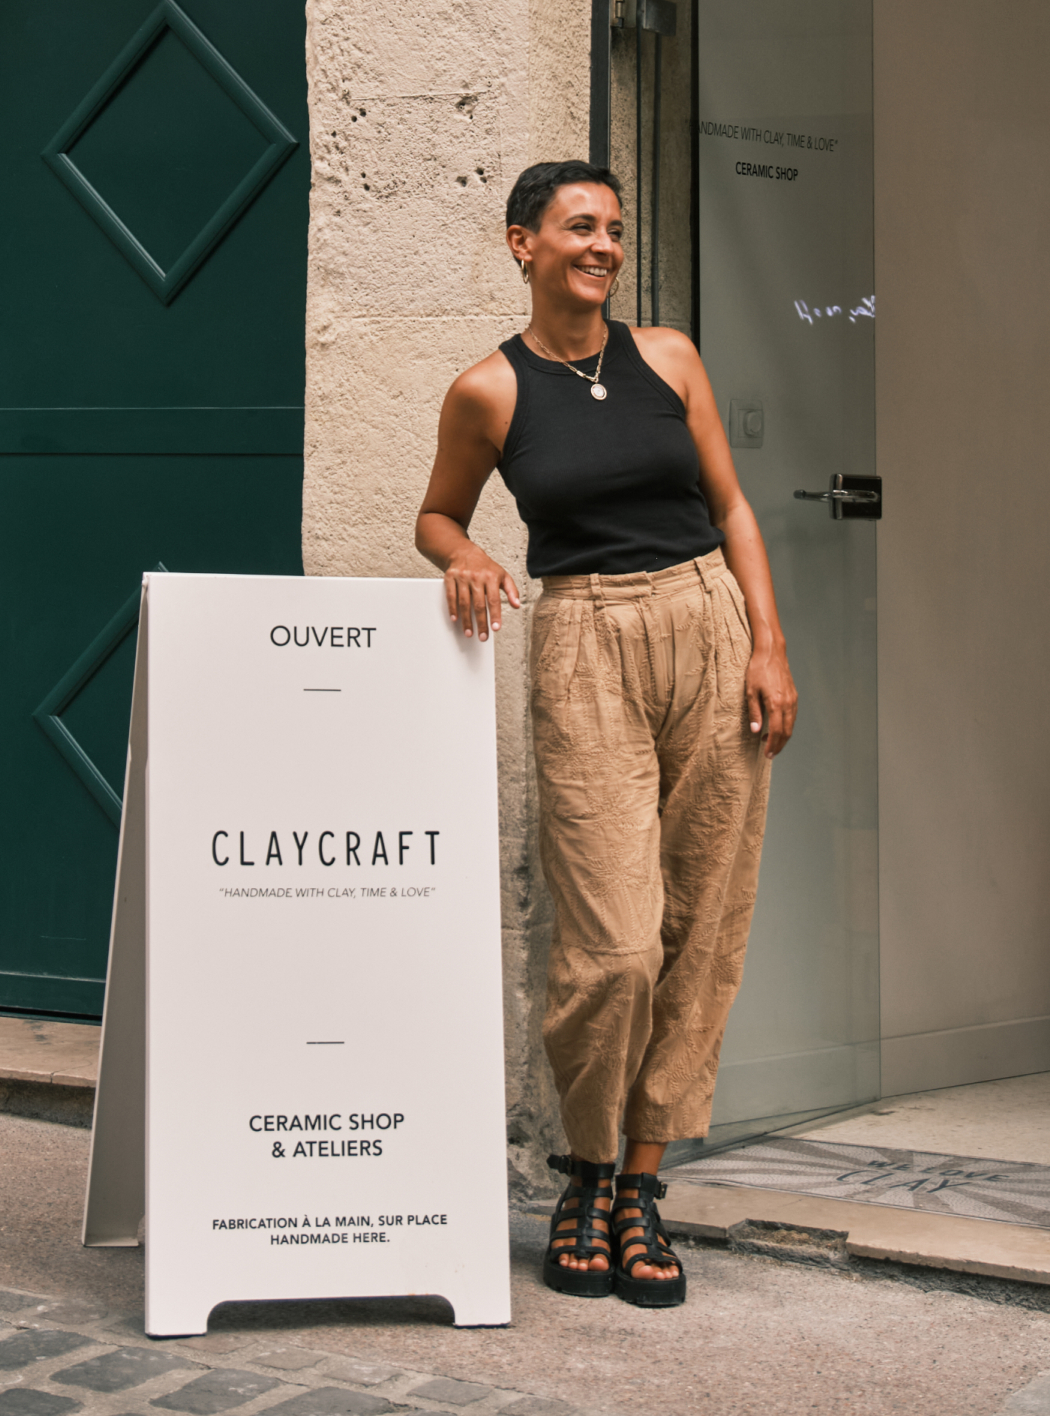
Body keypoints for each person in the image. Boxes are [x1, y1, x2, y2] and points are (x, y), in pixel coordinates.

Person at [413, 160, 796, 1308]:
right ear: (521, 243)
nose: (603, 247)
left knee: (701, 922)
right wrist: (467, 554)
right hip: (582, 638)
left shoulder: (669, 357)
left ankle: (638, 1186)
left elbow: (729, 504)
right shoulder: (486, 390)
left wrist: (767, 643)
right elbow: (435, 512)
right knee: (613, 942)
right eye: (580, 228)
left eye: (615, 231)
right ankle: (581, 1167)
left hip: (705, 623)